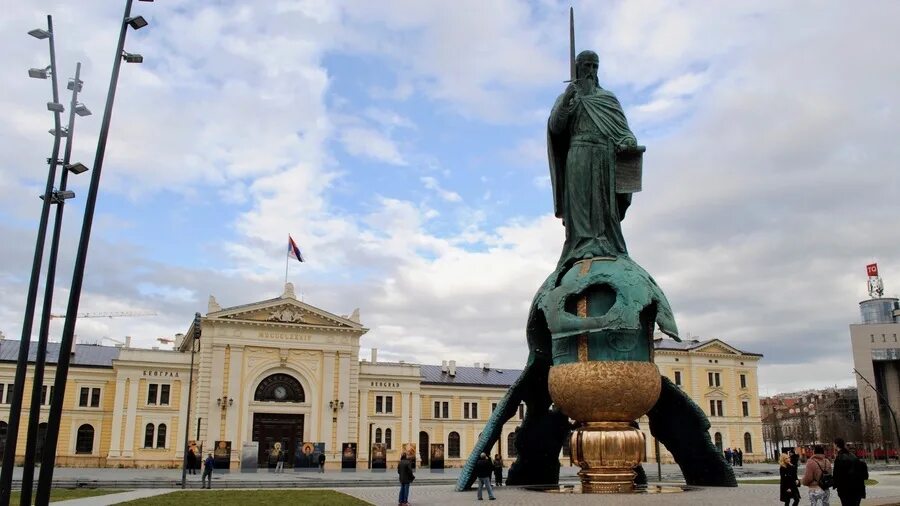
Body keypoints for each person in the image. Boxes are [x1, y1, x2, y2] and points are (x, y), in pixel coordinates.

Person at [547, 49, 639, 268]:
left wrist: (628, 141)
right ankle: (581, 246)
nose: (590, 70)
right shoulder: (567, 99)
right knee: (580, 200)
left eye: (594, 66)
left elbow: (624, 131)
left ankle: (608, 245)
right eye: (586, 65)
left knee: (604, 206)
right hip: (578, 154)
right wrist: (566, 103)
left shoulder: (607, 98)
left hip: (604, 157)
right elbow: (556, 129)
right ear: (577, 67)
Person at [833, 438, 866, 506]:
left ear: (836, 445)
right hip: (858, 488)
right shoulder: (853, 456)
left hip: (846, 490)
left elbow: (837, 475)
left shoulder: (839, 458)